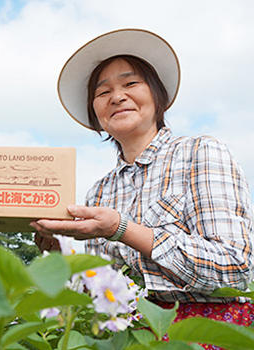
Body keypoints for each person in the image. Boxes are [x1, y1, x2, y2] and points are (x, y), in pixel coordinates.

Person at [31, 28, 254, 333]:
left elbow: (234, 268)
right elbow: (103, 294)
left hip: (206, 330)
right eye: (102, 92)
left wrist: (122, 229)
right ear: (94, 113)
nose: (117, 96)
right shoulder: (99, 191)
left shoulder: (199, 152)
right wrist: (57, 253)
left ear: (157, 95)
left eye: (131, 83)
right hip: (129, 335)